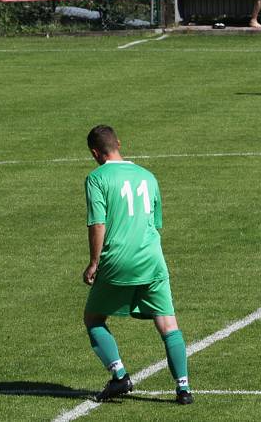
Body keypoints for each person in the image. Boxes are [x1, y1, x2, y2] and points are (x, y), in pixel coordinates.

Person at [82, 125, 193, 405]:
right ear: (119, 143)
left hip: (118, 260)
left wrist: (94, 262)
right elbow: (156, 224)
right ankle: (183, 389)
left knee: (94, 319)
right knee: (168, 324)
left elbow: (98, 222)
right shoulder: (148, 176)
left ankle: (119, 375)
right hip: (153, 259)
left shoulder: (97, 178)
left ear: (95, 153)